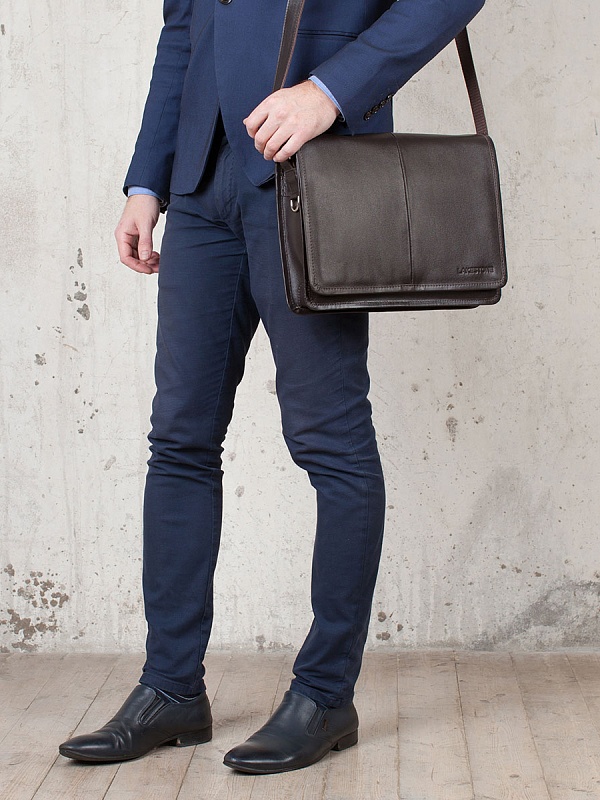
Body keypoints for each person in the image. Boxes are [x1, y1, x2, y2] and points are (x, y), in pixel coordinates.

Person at [59, 0, 486, 775]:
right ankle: (170, 688)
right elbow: (184, 28)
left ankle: (324, 694)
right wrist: (147, 179)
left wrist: (330, 90)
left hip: (317, 176)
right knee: (179, 439)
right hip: (200, 183)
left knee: (330, 441)